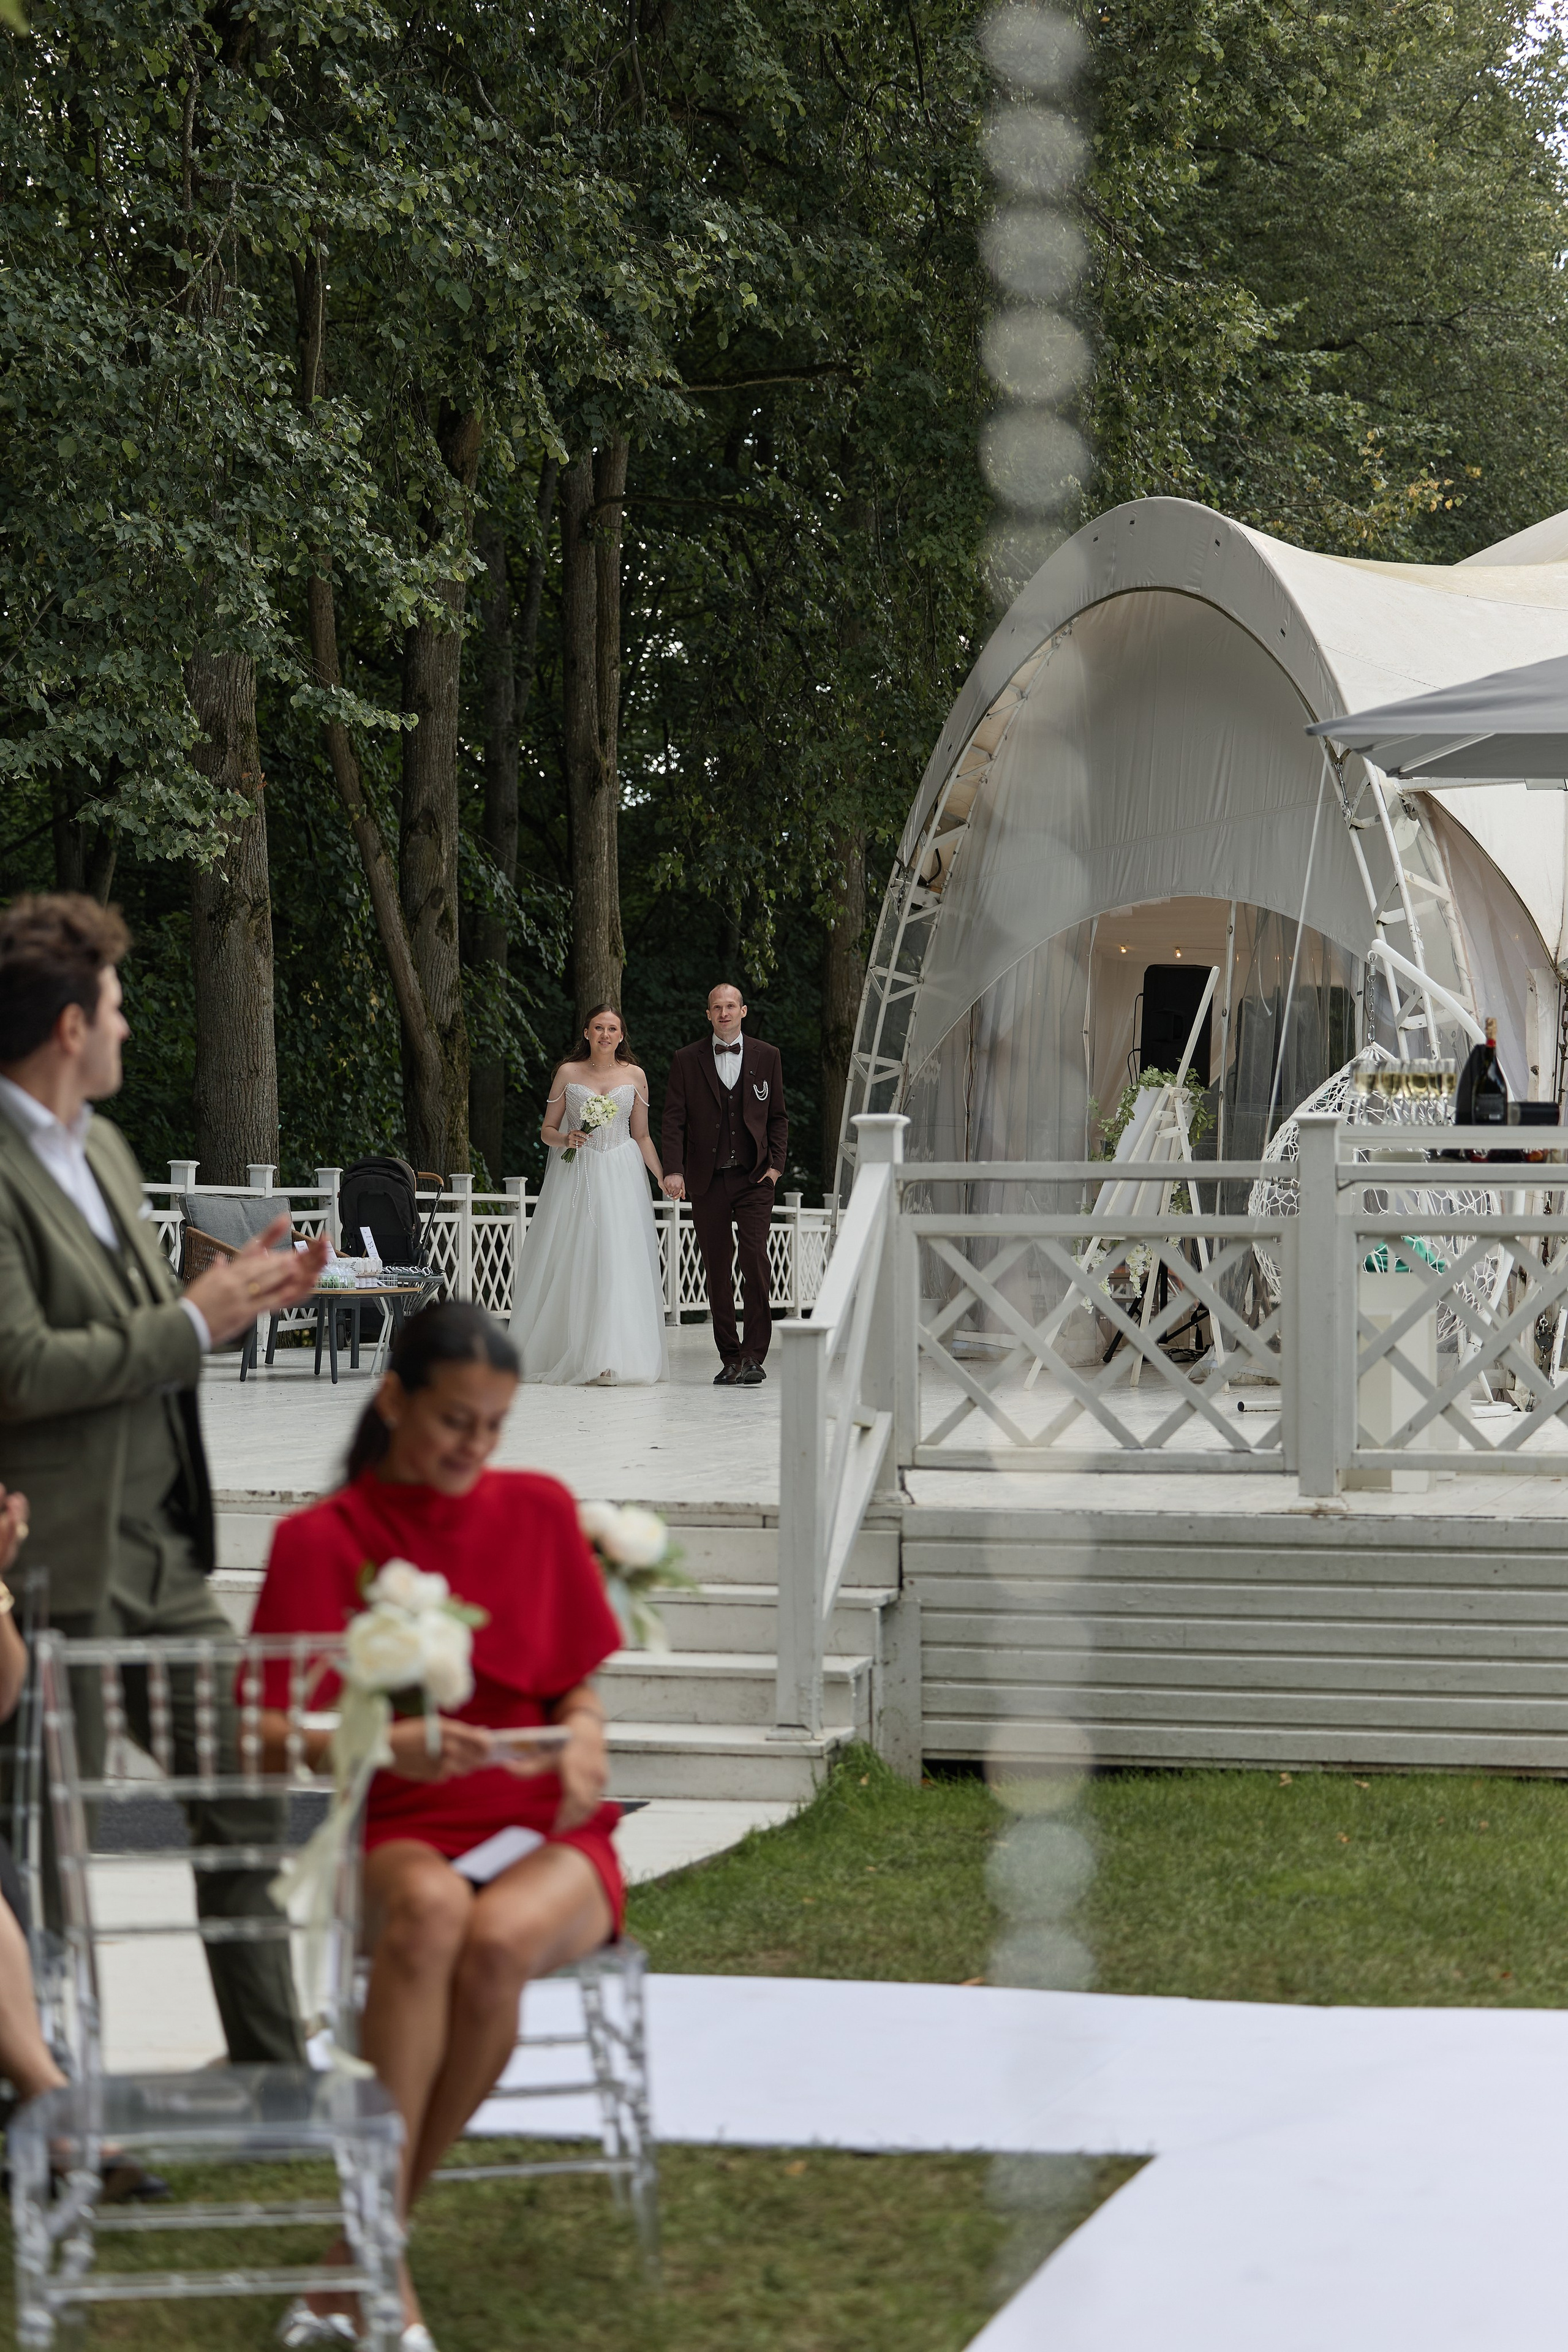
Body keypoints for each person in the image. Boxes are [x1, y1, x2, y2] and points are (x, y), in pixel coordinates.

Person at [250, 1302, 622, 2351]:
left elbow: (576, 1690)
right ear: (394, 1398)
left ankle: (362, 2250)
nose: (477, 1446)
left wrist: (586, 1736)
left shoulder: (539, 1509)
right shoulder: (319, 1539)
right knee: (423, 1918)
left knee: (497, 1940)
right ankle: (378, 2265)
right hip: (409, 1812)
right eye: (458, 1420)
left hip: (543, 1822)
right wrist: (369, 1746)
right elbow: (267, 1728)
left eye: (496, 1424)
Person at [0, 892, 329, 2065]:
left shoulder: (101, 1146)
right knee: (46, 1846)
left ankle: (272, 2066)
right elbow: (20, 1366)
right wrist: (193, 1322)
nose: (129, 1027)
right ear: (68, 1027)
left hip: (157, 1551)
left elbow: (149, 1328)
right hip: (45, 1568)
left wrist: (238, 1295)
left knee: (242, 1788)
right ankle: (50, 2107)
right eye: (119, 1007)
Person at [509, 1003, 668, 1385]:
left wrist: (663, 1178)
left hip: (621, 1173)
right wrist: (566, 1137)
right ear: (586, 1033)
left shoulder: (636, 1076)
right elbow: (546, 1129)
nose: (605, 1035)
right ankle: (575, 1349)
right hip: (578, 1172)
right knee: (575, 1255)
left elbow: (642, 1135)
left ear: (621, 1035)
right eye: (598, 1028)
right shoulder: (568, 1073)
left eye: (613, 1029)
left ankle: (614, 1354)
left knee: (618, 1259)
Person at [660, 981, 788, 1385]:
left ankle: (754, 1355)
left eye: (731, 1006)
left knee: (754, 1260)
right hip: (707, 1179)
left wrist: (776, 1169)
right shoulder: (686, 1059)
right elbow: (673, 1119)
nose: (724, 1013)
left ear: (743, 1011)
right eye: (717, 1007)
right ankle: (730, 1356)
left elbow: (779, 1117)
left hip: (755, 1178)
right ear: (708, 1014)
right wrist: (674, 1169)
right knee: (717, 1267)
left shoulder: (768, 1056)